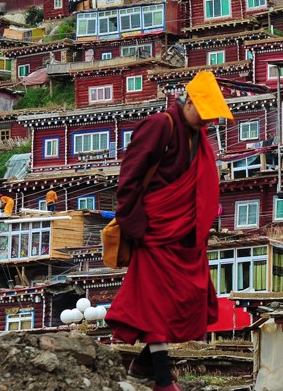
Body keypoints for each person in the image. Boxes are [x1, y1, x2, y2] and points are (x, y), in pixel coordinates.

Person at [106, 71, 233, 391]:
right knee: (154, 303)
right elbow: (129, 177)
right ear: (189, 102)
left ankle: (143, 363)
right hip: (153, 230)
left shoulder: (196, 135)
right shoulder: (161, 125)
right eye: (204, 113)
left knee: (189, 298)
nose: (206, 121)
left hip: (183, 235)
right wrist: (135, 226)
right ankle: (162, 378)